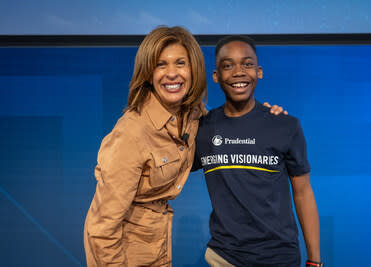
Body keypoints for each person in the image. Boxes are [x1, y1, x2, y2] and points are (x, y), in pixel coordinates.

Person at [84, 27, 285, 267]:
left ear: (193, 71)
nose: (172, 74)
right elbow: (101, 228)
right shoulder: (131, 133)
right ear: (148, 73)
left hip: (158, 246)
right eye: (161, 65)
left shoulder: (192, 116)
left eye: (180, 63)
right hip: (124, 253)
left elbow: (229, 132)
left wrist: (266, 116)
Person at [193, 35, 322, 267]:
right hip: (225, 257)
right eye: (227, 65)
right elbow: (169, 169)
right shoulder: (202, 129)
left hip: (280, 258)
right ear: (216, 76)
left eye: (247, 64)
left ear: (259, 72)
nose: (239, 72)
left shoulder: (285, 125)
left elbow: (303, 193)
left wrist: (315, 260)